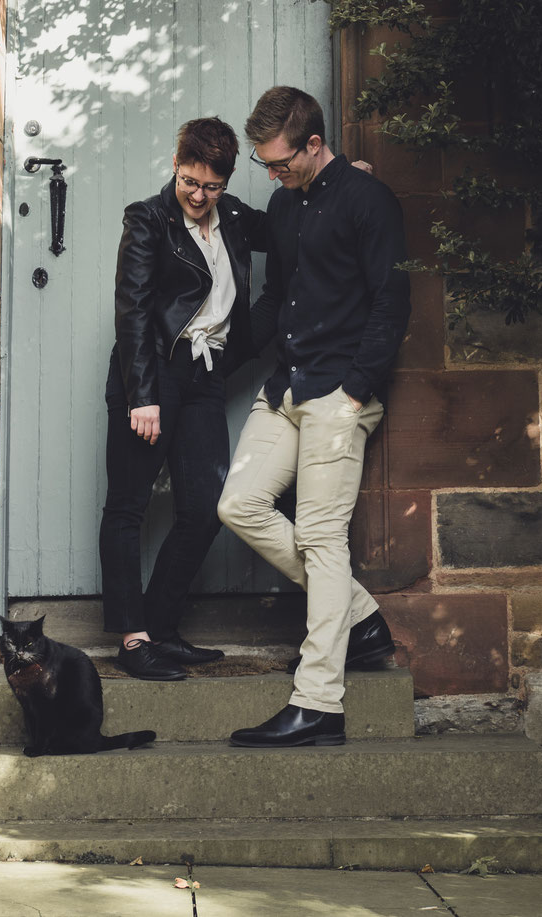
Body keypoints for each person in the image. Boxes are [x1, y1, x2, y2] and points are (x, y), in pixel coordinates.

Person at [218, 86, 411, 746]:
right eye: (265, 164)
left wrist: (357, 388)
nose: (273, 174)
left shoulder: (368, 201)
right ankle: (359, 612)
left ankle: (319, 702)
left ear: (314, 143)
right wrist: (222, 354)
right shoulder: (282, 203)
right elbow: (277, 300)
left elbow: (391, 302)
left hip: (339, 393)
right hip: (287, 387)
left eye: (281, 162)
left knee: (322, 538)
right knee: (238, 503)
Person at [99, 116, 265, 681]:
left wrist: (343, 181)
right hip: (152, 376)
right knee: (128, 504)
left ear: (226, 181)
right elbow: (133, 311)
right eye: (190, 181)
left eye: (211, 186)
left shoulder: (236, 218)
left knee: (205, 507)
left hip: (204, 377)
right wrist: (142, 395)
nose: (198, 195)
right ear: (176, 164)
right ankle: (132, 636)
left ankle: (162, 627)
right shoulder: (148, 219)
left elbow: (294, 230)